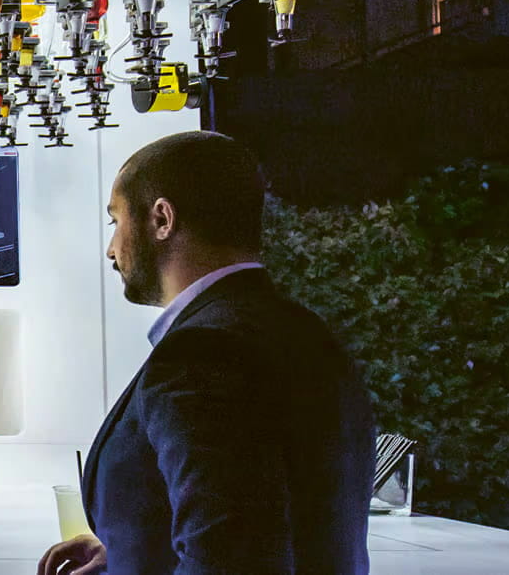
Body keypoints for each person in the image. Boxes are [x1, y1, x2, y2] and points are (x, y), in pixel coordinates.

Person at [39, 131, 375, 575]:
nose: (111, 249)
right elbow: (285, 512)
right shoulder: (306, 332)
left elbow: (230, 559)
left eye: (115, 221)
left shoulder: (200, 355)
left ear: (162, 219)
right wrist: (129, 549)